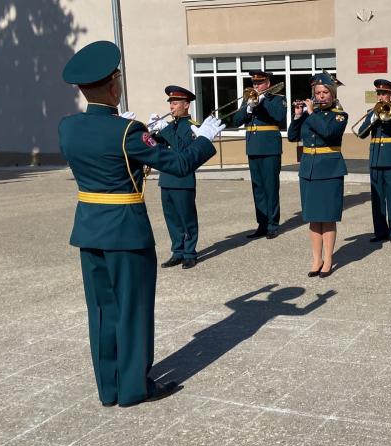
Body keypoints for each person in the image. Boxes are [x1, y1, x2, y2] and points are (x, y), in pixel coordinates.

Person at [58, 40, 225, 407]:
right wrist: (203, 140)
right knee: (132, 310)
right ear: (113, 86)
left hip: (89, 230)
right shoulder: (127, 132)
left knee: (102, 312)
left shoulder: (67, 127)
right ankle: (134, 388)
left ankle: (109, 388)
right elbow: (178, 165)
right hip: (127, 233)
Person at [287, 73, 348, 278]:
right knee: (313, 218)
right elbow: (292, 137)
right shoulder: (307, 115)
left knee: (328, 218)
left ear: (332, 95)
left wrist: (311, 113)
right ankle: (316, 259)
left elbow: (328, 133)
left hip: (329, 170)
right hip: (309, 170)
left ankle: (328, 259)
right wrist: (298, 116)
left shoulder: (339, 116)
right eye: (318, 93)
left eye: (325, 93)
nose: (321, 96)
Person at [147, 86, 201, 269]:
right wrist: (150, 134)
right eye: (170, 103)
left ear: (186, 105)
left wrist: (164, 130)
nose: (171, 107)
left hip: (183, 180)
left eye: (175, 103)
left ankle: (190, 253)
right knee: (172, 219)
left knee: (187, 218)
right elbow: (158, 148)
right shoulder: (170, 126)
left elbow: (183, 150)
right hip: (167, 178)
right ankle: (177, 251)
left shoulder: (192, 126)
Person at [231, 70, 286, 239]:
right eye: (254, 83)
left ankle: (273, 224)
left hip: (270, 148)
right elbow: (236, 121)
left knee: (271, 187)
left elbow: (279, 116)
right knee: (258, 188)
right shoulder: (248, 99)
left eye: (260, 82)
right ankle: (262, 223)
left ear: (268, 83)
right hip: (253, 147)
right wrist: (249, 108)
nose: (256, 85)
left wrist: (261, 103)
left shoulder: (277, 99)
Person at [357, 79, 391, 243]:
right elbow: (361, 133)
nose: (380, 97)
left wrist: (389, 117)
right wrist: (372, 119)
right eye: (378, 93)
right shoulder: (371, 112)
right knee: (377, 197)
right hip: (376, 159)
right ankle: (380, 231)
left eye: (384, 94)